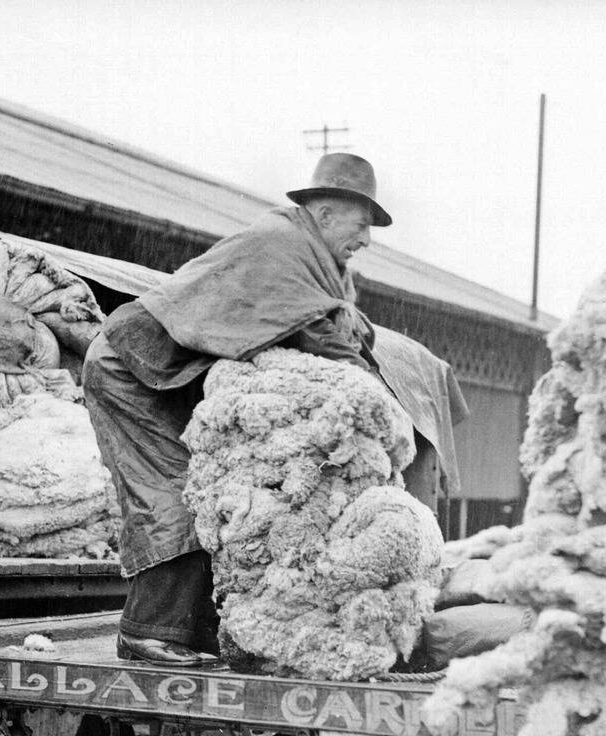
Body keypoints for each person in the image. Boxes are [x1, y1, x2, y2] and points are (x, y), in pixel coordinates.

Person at [82, 153, 393, 666]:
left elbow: (340, 329)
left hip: (170, 375)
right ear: (327, 212)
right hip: (130, 369)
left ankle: (194, 630)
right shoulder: (280, 246)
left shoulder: (322, 263)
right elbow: (322, 337)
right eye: (362, 224)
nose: (366, 239)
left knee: (221, 494)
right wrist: (377, 403)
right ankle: (146, 633)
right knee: (177, 491)